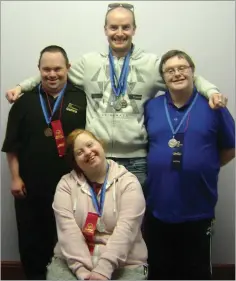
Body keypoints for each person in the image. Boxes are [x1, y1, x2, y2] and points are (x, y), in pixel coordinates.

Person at [5, 3, 227, 189]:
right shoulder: (89, 62)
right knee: (98, 222)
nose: (119, 33)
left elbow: (187, 75)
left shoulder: (151, 64)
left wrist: (212, 91)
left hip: (137, 159)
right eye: (113, 27)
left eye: (125, 27)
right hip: (96, 156)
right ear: (105, 29)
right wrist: (22, 86)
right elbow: (55, 72)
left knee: (134, 225)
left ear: (134, 29)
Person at [144, 49, 235, 280]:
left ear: (193, 72)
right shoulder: (151, 107)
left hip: (198, 208)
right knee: (160, 271)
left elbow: (231, 147)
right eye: (170, 70)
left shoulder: (214, 106)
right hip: (157, 209)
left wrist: (207, 165)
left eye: (182, 68)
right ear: (163, 78)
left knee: (195, 272)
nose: (177, 74)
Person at [1, 45, 87, 280]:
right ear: (38, 70)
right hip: (31, 188)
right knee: (32, 241)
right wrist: (16, 177)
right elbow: (12, 145)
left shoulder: (81, 97)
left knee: (69, 241)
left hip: (72, 187)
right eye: (46, 69)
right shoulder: (24, 100)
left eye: (57, 69)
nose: (52, 74)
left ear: (67, 68)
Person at [46, 129, 148, 280]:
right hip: (72, 262)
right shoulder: (65, 185)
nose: (87, 152)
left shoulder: (128, 182)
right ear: (75, 161)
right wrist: (81, 270)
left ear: (100, 144)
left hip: (125, 262)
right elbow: (67, 230)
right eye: (79, 152)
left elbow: (126, 229)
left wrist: (102, 270)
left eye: (90, 144)